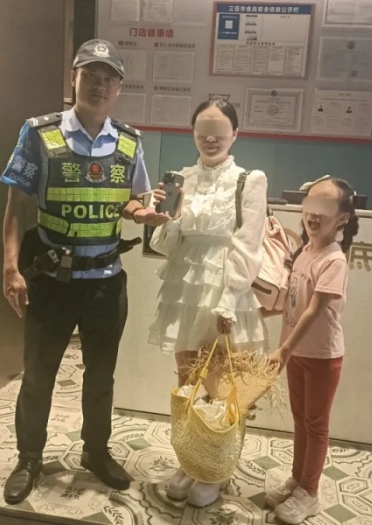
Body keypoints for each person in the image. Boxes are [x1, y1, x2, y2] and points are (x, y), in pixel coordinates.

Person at [0, 39, 169, 505]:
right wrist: (10, 267)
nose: (99, 84)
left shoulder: (129, 141)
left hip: (106, 282)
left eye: (108, 78)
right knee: (39, 375)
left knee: (101, 376)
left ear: (119, 87)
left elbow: (131, 200)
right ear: (73, 79)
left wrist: (142, 214)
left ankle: (95, 451)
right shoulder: (39, 134)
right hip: (51, 280)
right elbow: (15, 207)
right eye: (90, 75)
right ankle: (29, 458)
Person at [149, 99, 269, 507]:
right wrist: (165, 216)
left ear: (235, 133)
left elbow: (249, 243)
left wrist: (230, 299)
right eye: (203, 131)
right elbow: (165, 245)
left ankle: (214, 469)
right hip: (185, 287)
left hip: (224, 288)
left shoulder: (248, 180)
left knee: (221, 384)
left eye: (219, 131)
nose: (211, 139)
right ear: (193, 133)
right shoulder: (182, 178)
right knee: (188, 381)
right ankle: (190, 458)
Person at [265, 177, 359, 524]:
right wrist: (259, 313)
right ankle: (298, 480)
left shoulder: (334, 260)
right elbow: (292, 301)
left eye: (324, 209)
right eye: (310, 207)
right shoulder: (304, 252)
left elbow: (314, 311)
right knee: (300, 421)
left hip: (321, 357)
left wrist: (284, 349)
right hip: (296, 353)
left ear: (342, 219)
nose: (314, 215)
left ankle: (311, 492)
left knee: (316, 425)